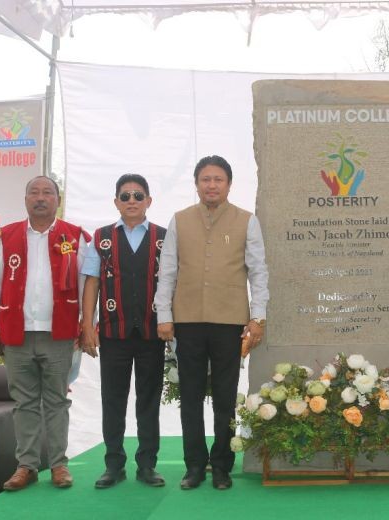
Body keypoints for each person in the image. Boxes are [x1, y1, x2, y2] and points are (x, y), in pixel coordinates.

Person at [154, 155, 269, 491]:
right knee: (189, 395)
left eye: (218, 179)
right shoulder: (180, 220)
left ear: (229, 184)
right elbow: (168, 271)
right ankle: (194, 466)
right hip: (187, 321)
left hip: (228, 321)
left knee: (224, 395)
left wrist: (257, 317)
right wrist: (164, 316)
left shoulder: (247, 221)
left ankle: (221, 465)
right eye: (206, 179)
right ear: (196, 183)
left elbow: (258, 271)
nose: (212, 185)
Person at [0, 176, 90, 491]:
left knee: (57, 401)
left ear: (58, 199)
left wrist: (85, 327)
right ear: (25, 199)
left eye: (47, 192)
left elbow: (87, 288)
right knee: (24, 403)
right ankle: (26, 466)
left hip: (59, 334)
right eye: (34, 192)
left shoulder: (76, 237)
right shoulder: (8, 236)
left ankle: (58, 465)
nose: (40, 198)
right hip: (17, 334)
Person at [79, 174, 168, 489]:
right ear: (116, 201)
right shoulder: (101, 238)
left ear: (148, 201)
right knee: (112, 400)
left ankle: (147, 465)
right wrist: (87, 324)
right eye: (126, 196)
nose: (132, 201)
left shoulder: (164, 237)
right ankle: (113, 465)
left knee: (149, 401)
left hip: (151, 333)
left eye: (138, 195)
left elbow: (172, 283)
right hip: (113, 333)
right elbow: (92, 281)